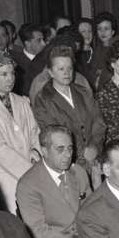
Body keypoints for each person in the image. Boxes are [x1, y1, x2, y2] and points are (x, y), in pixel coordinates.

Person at [16, 125, 91, 238]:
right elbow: (39, 232)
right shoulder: (28, 185)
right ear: (44, 150)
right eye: (60, 149)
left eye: (70, 148)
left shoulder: (78, 173)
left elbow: (92, 211)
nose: (68, 155)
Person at [0, 50, 41, 213]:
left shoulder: (21, 101)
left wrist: (35, 151)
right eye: (4, 74)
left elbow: (35, 132)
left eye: (12, 73)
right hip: (3, 176)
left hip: (31, 170)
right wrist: (30, 172)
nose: (10, 78)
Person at [32, 45, 105, 174]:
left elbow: (98, 122)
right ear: (50, 72)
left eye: (70, 68)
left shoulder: (83, 92)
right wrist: (82, 153)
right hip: (68, 162)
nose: (66, 73)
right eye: (61, 69)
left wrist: (94, 146)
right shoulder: (43, 99)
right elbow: (53, 134)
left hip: (95, 158)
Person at [11, 23, 46, 95]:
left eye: (43, 39)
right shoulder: (15, 62)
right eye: (39, 40)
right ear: (27, 43)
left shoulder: (47, 59)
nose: (44, 44)